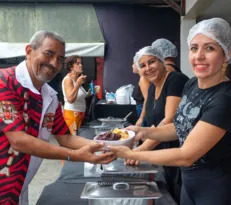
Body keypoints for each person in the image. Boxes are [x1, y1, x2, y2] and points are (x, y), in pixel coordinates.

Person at [109, 18, 231, 205]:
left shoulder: (224, 98)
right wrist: (143, 131)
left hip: (214, 188)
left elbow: (186, 155)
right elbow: (180, 127)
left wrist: (131, 154)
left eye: (209, 48)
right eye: (194, 48)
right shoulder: (192, 84)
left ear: (226, 54)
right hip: (188, 185)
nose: (199, 56)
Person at [0, 30, 115, 205]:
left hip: (17, 187)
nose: (54, 63)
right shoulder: (4, 81)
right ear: (29, 51)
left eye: (60, 59)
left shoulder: (50, 96)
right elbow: (19, 141)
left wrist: (108, 146)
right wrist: (75, 155)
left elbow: (65, 137)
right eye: (48, 54)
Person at [132, 46, 188, 203]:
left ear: (162, 60)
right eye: (142, 65)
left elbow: (168, 120)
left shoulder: (175, 80)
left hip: (175, 156)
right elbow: (152, 124)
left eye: (152, 62)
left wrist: (141, 150)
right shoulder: (152, 87)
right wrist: (134, 139)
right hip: (159, 157)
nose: (148, 68)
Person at [62, 55, 88, 134]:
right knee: (73, 140)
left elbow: (79, 96)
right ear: (71, 67)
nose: (81, 65)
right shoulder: (68, 80)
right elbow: (70, 99)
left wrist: (89, 93)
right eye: (78, 63)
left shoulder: (77, 79)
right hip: (72, 114)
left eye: (81, 63)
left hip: (79, 114)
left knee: (78, 138)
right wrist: (77, 84)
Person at [131, 51, 150, 126]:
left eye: (133, 63)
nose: (132, 66)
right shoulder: (142, 78)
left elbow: (147, 99)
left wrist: (141, 118)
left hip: (143, 110)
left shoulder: (143, 79)